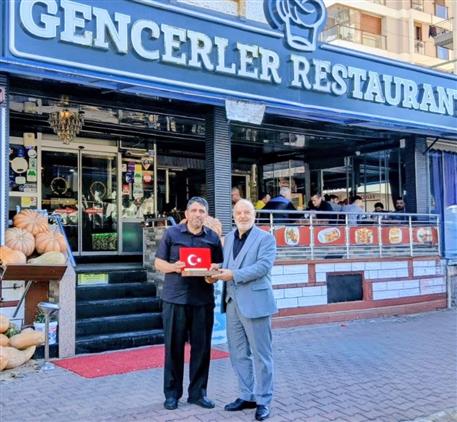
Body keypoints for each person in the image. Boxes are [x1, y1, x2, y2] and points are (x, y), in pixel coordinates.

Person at [210, 199, 277, 421]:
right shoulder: (228, 238)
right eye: (238, 212)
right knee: (238, 353)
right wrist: (213, 271)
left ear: (254, 214)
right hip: (232, 303)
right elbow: (225, 264)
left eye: (247, 212)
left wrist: (233, 275)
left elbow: (263, 267)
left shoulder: (266, 238)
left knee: (261, 355)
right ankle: (247, 395)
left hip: (256, 304)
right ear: (233, 215)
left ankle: (263, 400)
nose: (242, 216)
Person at [154, 197, 223, 411]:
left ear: (206, 215)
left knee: (202, 350)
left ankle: (198, 394)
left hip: (202, 301)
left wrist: (212, 274)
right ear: (186, 214)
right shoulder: (172, 233)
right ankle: (172, 394)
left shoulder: (213, 238)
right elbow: (158, 263)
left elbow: (217, 268)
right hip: (175, 299)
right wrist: (174, 267)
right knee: (173, 349)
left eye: (201, 211)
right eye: (194, 210)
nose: (197, 214)